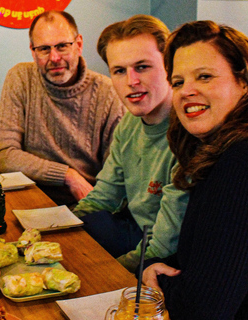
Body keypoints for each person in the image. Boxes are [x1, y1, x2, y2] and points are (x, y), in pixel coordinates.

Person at [142, 21, 248, 319]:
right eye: (178, 82)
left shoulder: (242, 164)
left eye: (204, 77)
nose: (186, 92)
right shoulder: (229, 151)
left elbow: (203, 310)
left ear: (244, 82)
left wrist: (156, 278)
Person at [73, 15, 189, 272]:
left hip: (170, 252)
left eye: (142, 67)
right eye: (119, 71)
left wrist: (108, 274)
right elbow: (102, 197)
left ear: (169, 67)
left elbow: (166, 242)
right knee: (88, 224)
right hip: (137, 231)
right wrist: (59, 232)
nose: (131, 81)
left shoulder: (188, 130)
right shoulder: (129, 123)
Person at [0, 10, 126, 206]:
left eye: (62, 46)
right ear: (33, 51)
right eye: (44, 49)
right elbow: (2, 154)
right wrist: (67, 176)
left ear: (78, 45)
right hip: (24, 198)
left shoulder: (109, 93)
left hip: (83, 205)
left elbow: (115, 179)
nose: (54, 57)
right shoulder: (20, 77)